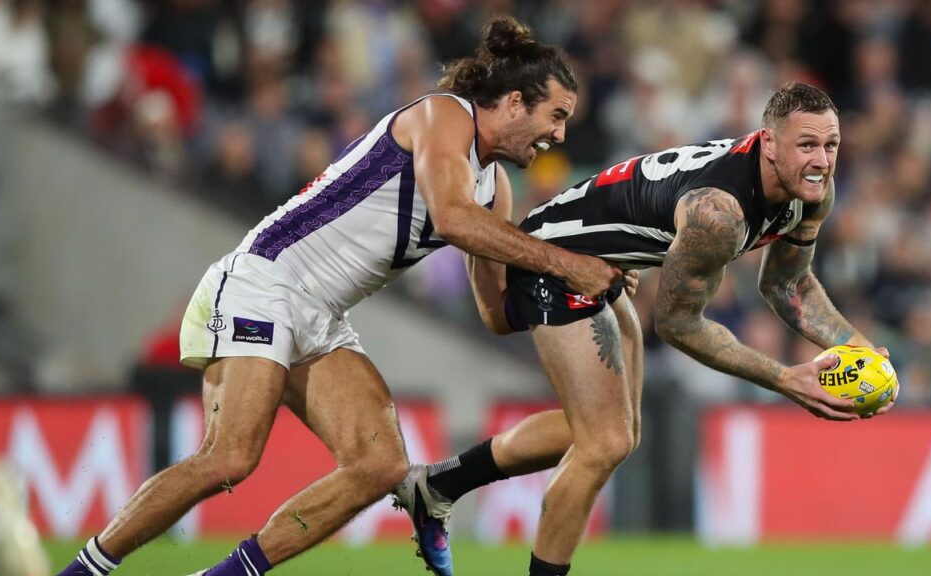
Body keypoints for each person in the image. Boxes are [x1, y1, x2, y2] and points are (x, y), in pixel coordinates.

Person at [54, 16, 621, 576]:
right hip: (267, 281)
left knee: (380, 465)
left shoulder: (494, 188)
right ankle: (84, 572)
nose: (561, 135)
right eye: (557, 115)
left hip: (322, 316)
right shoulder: (445, 116)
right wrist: (567, 263)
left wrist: (582, 290)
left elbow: (496, 313)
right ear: (516, 101)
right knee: (229, 457)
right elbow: (450, 219)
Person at [394, 82, 895, 576]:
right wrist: (786, 379)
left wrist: (861, 349)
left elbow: (789, 285)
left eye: (831, 145)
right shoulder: (716, 214)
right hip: (556, 263)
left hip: (601, 270)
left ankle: (438, 486)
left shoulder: (812, 192)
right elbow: (677, 325)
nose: (822, 160)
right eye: (806, 145)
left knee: (617, 435)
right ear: (768, 143)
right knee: (602, 444)